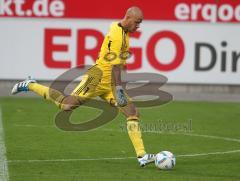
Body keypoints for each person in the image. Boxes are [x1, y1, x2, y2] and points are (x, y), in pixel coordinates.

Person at [11, 6, 155, 167]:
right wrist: (120, 89)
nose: (138, 26)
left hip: (110, 84)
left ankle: (142, 155)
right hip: (97, 79)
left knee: (132, 112)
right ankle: (30, 85)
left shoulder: (122, 31)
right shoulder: (118, 37)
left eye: (140, 23)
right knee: (66, 105)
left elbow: (119, 63)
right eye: (137, 22)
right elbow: (115, 67)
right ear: (128, 18)